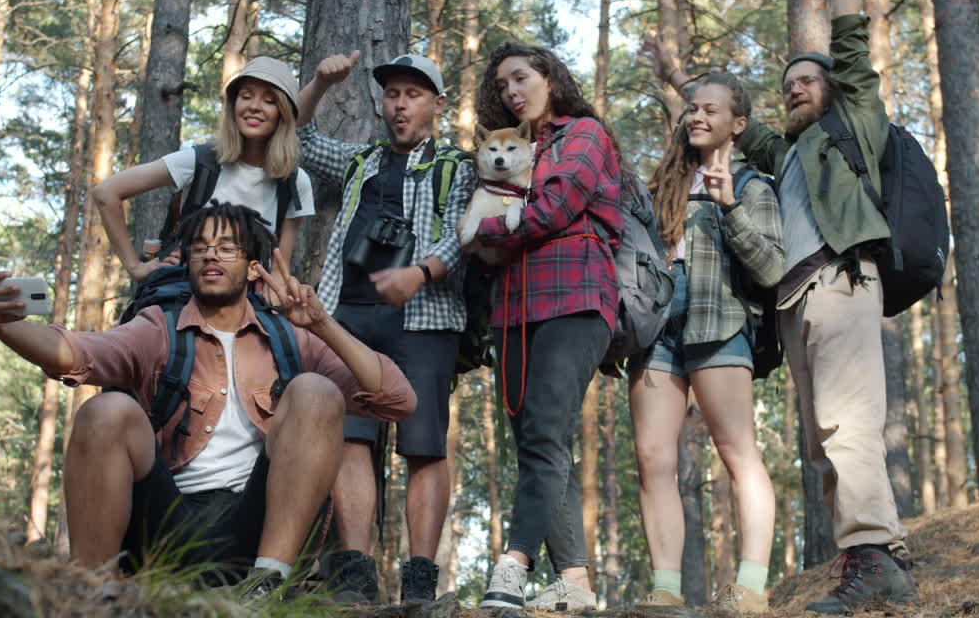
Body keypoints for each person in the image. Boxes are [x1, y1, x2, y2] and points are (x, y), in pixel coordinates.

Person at [644, 0, 918, 611]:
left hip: (838, 282)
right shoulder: (788, 151)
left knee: (847, 423)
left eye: (809, 78)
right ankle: (863, 558)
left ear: (835, 89)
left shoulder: (849, 125)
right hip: (793, 302)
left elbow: (851, 35)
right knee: (823, 440)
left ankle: (875, 556)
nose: (796, 86)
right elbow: (726, 124)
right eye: (789, 81)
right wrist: (679, 81)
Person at [0, 202, 415, 593]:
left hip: (259, 531)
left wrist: (322, 326)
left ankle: (267, 585)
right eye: (200, 247)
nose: (210, 256)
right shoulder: (158, 327)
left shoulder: (291, 338)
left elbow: (398, 400)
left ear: (254, 266)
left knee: (316, 391)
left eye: (226, 247)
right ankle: (93, 594)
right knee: (105, 410)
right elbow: (79, 353)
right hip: (168, 526)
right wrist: (4, 326)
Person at [294, 51, 477, 603]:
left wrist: (419, 274)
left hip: (424, 318)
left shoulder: (457, 166)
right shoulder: (359, 160)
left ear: (437, 105)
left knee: (423, 446)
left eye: (413, 95)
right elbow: (299, 139)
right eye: (392, 94)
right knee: (351, 438)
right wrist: (322, 83)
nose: (399, 105)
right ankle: (356, 576)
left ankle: (419, 583)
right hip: (347, 314)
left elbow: (466, 232)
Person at [472, 43, 625, 612]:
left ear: (551, 80)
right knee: (537, 441)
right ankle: (577, 583)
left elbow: (554, 209)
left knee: (544, 431)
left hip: (576, 296)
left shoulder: (581, 133)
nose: (512, 90)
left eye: (522, 78)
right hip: (513, 310)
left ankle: (513, 565)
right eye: (503, 84)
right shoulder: (510, 147)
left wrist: (488, 232)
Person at [628, 72, 783, 612]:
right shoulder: (663, 186)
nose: (696, 116)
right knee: (652, 456)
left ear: (738, 124)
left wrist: (729, 209)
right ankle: (666, 589)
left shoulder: (754, 186)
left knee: (737, 452)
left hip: (720, 325)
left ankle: (749, 586)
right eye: (691, 108)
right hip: (657, 330)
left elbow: (771, 269)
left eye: (710, 110)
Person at [91, 57, 315, 281]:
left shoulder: (294, 182)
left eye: (269, 100)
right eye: (245, 96)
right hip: (184, 298)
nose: (254, 107)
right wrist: (136, 268)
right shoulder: (200, 161)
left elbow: (278, 271)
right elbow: (106, 193)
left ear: (284, 113)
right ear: (233, 105)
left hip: (248, 305)